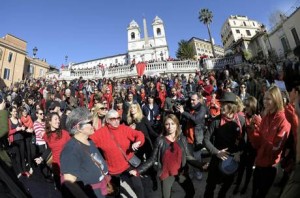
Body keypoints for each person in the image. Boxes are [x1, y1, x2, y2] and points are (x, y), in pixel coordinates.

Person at [129, 114, 203, 198]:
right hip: (166, 174)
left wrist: (201, 165)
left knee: (191, 192)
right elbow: (152, 159)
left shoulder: (182, 139)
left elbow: (188, 156)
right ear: (164, 126)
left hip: (181, 172)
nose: (170, 126)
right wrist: (138, 171)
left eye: (172, 123)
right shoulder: (160, 140)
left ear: (177, 125)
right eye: (167, 124)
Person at [90, 109, 145, 198]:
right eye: (113, 119)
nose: (116, 121)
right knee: (115, 193)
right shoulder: (101, 133)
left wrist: (138, 142)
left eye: (118, 118)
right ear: (107, 120)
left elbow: (139, 134)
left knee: (138, 186)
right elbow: (87, 143)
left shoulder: (124, 128)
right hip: (113, 169)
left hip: (129, 164)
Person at [248, 86, 291, 198]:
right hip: (259, 163)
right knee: (254, 194)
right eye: (264, 98)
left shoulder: (283, 120)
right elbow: (257, 144)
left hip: (270, 166)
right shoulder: (266, 116)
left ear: (276, 100)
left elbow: (275, 149)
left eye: (268, 99)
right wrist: (252, 130)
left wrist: (260, 129)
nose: (264, 101)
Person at [203, 91, 246, 198]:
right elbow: (206, 139)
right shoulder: (216, 121)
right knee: (210, 187)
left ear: (231, 106)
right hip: (217, 157)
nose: (221, 106)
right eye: (221, 104)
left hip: (232, 160)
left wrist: (239, 153)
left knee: (226, 186)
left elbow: (244, 141)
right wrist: (216, 152)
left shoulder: (241, 120)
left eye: (224, 104)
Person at [60, 107, 110, 197]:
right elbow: (70, 183)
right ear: (79, 127)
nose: (93, 125)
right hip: (92, 194)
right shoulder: (70, 150)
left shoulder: (89, 141)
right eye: (90, 123)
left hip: (104, 188)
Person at [35, 112, 71, 190]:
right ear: (50, 122)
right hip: (56, 167)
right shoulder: (46, 136)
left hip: (67, 166)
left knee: (70, 189)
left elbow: (72, 147)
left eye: (59, 119)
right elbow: (49, 149)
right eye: (56, 119)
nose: (58, 121)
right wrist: (41, 158)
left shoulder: (65, 133)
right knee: (61, 189)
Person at [233, 96, 258, 195]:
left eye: (248, 106)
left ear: (252, 106)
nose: (245, 107)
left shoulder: (257, 118)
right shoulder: (244, 117)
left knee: (248, 170)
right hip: (243, 147)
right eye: (245, 105)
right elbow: (241, 134)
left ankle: (245, 186)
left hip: (252, 149)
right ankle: (238, 185)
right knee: (240, 169)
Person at [280, 89, 300, 198]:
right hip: (290, 144)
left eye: (291, 91)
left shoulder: (292, 111)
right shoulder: (291, 109)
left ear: (296, 93)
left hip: (293, 147)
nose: (289, 93)